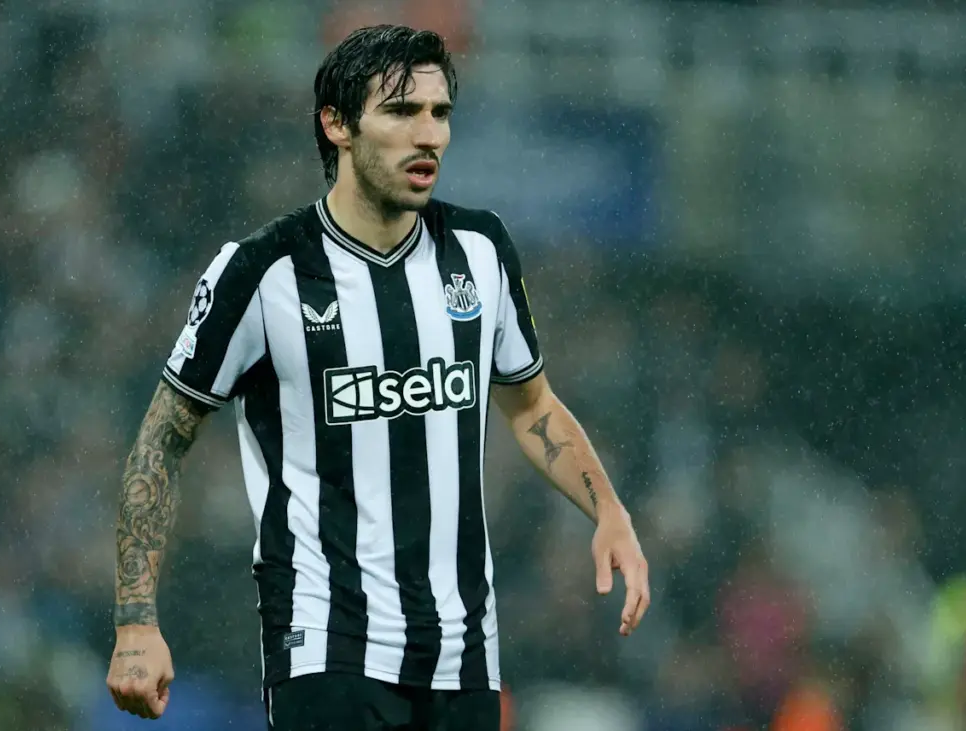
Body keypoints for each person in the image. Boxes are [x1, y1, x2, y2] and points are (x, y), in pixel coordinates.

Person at [105, 24, 650, 731]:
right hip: (326, 647)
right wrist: (136, 621)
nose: (428, 135)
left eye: (440, 113)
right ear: (337, 124)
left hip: (464, 654)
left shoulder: (480, 251)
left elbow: (532, 407)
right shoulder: (263, 272)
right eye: (401, 111)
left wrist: (608, 509)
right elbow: (161, 441)